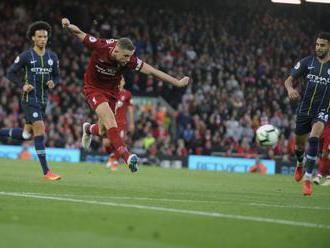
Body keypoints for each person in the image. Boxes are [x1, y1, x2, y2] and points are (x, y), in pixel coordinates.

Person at [61, 18, 190, 173]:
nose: (128, 60)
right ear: (115, 51)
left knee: (103, 131)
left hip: (112, 92)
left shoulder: (129, 59)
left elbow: (152, 71)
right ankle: (127, 157)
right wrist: (68, 26)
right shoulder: (100, 46)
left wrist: (176, 82)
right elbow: (79, 33)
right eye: (125, 56)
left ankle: (89, 129)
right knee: (110, 121)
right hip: (93, 88)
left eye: (130, 56)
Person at [0, 21, 61, 180]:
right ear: (33, 38)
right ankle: (47, 172)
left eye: (45, 37)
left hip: (43, 101)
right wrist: (23, 85)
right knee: (40, 130)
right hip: (29, 99)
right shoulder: (26, 56)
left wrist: (53, 82)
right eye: (39, 36)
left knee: (27, 135)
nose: (42, 39)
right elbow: (10, 73)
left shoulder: (52, 57)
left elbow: (57, 76)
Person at [284, 32, 330, 196]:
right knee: (299, 147)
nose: (319, 48)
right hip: (304, 109)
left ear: (329, 46)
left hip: (322, 110)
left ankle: (308, 179)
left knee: (314, 137)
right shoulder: (307, 62)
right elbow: (288, 80)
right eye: (317, 44)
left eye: (322, 45)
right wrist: (290, 89)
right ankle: (300, 163)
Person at [104, 77, 135, 171]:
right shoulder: (111, 92)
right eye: (121, 79)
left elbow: (130, 109)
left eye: (123, 80)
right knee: (106, 142)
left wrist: (132, 123)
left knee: (120, 142)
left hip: (121, 122)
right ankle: (112, 156)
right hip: (110, 120)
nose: (122, 81)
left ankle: (115, 161)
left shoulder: (127, 94)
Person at [313, 121, 330, 186]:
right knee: (322, 154)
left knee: (326, 154)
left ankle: (320, 176)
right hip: (322, 131)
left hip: (328, 133)